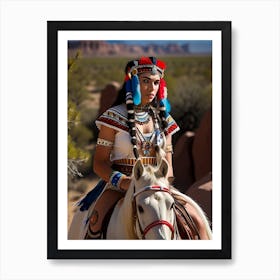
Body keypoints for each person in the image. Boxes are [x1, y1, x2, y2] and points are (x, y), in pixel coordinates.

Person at [73, 56, 209, 239]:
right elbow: (100, 163)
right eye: (145, 82)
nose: (151, 88)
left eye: (155, 83)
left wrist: (164, 185)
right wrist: (124, 182)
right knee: (96, 222)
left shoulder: (164, 120)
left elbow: (168, 164)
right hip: (119, 184)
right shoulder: (113, 117)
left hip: (158, 186)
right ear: (134, 83)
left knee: (197, 222)